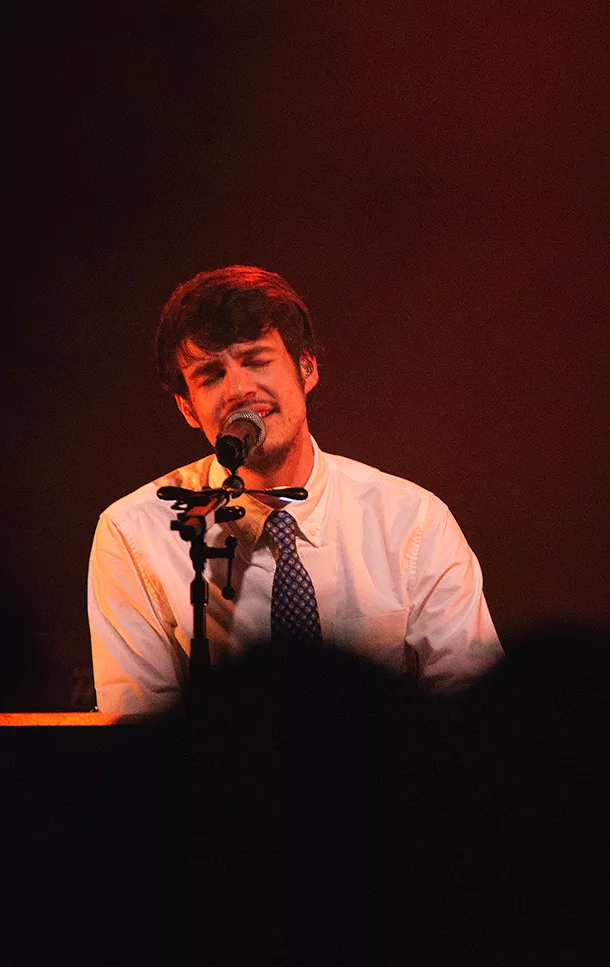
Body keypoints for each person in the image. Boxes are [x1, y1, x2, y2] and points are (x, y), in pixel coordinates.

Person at [88, 265, 503, 713]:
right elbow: (137, 734)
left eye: (256, 360)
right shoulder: (134, 534)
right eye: (210, 375)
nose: (238, 390)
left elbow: (474, 713)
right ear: (187, 408)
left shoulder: (411, 523)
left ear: (307, 367)